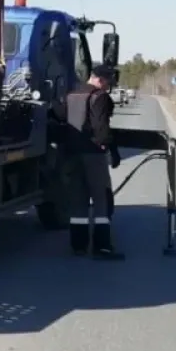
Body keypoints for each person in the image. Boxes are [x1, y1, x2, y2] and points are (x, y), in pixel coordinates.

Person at [62, 63, 124, 259]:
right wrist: (111, 150)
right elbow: (101, 128)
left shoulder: (71, 95)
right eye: (108, 83)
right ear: (100, 79)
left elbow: (61, 118)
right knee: (101, 200)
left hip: (72, 154)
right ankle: (102, 246)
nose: (108, 87)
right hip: (93, 154)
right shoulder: (100, 97)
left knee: (78, 200)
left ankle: (78, 245)